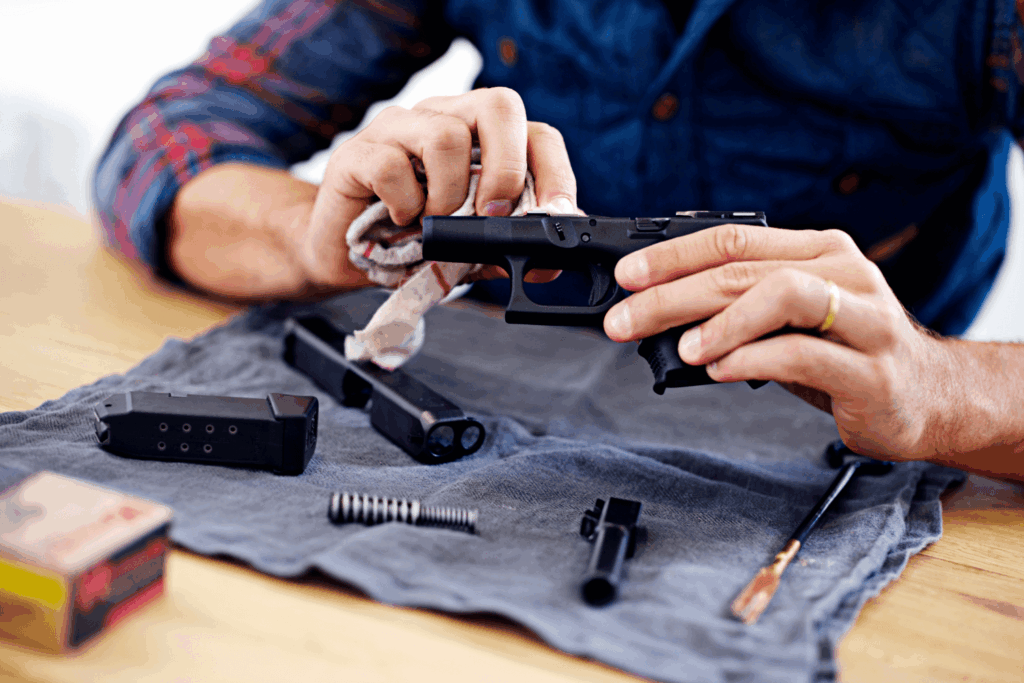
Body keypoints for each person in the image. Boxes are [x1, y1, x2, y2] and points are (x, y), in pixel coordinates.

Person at [94, 0, 1024, 479]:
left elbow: (945, 397)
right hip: (475, 397)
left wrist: (944, 391)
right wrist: (318, 237)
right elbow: (163, 143)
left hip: (824, 458)